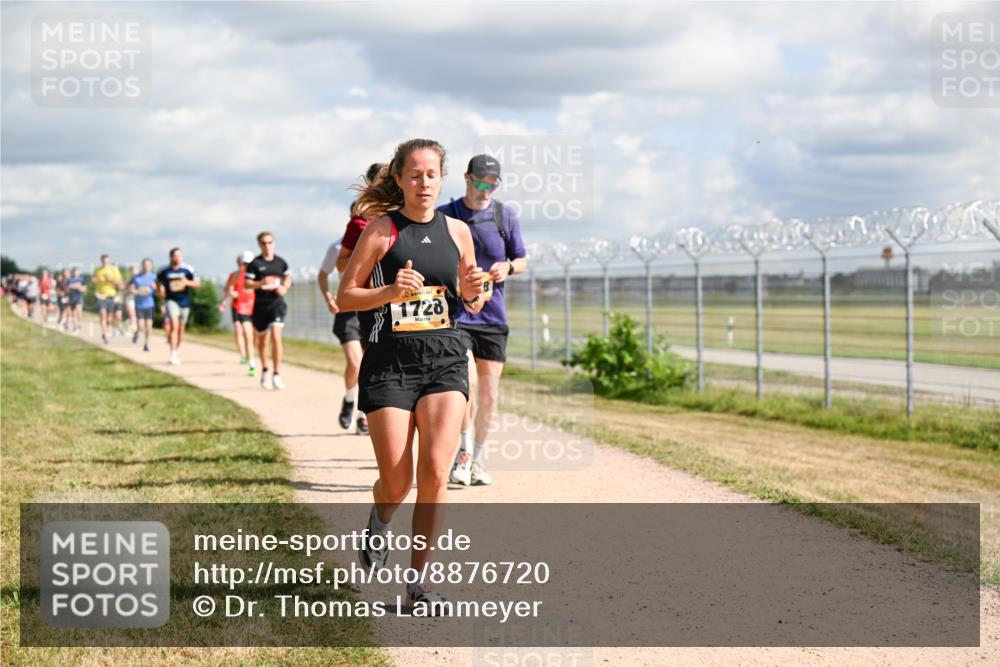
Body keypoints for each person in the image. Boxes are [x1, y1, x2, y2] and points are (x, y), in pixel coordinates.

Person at [336, 138, 486, 610]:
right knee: (397, 482)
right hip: (389, 362)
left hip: (444, 356)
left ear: (443, 179)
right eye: (415, 174)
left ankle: (419, 585)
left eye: (432, 174)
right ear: (399, 179)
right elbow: (346, 296)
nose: (424, 183)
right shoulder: (382, 230)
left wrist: (472, 291)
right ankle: (380, 520)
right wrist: (390, 294)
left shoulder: (459, 231)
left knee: (437, 472)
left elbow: (471, 298)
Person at [441, 154, 528, 487]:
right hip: (458, 315)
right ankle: (461, 454)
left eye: (493, 183)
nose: (486, 188)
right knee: (467, 385)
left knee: (489, 392)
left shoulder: (505, 216)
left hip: (493, 317)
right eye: (481, 182)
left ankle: (478, 458)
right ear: (467, 178)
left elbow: (521, 259)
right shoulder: (447, 216)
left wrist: (508, 267)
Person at [318, 162, 384, 435]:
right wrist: (329, 297)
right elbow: (330, 272)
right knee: (356, 363)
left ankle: (360, 412)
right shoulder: (343, 241)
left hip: (377, 305)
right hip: (349, 307)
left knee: (369, 365)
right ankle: (350, 399)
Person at [245, 232, 291, 389]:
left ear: (274, 243)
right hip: (260, 306)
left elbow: (288, 277)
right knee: (263, 341)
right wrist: (261, 283)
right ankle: (265, 370)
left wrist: (284, 287)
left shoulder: (281, 262)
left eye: (270, 242)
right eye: (264, 243)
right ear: (259, 245)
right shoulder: (255, 264)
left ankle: (277, 374)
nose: (267, 245)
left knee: (276, 337)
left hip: (277, 304)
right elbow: (247, 284)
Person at [156, 248, 200, 365]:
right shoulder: (164, 270)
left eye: (180, 255)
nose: (178, 257)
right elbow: (157, 282)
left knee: (181, 329)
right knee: (174, 326)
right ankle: (173, 354)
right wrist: (160, 290)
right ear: (171, 257)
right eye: (175, 255)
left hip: (184, 302)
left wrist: (187, 283)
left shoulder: (188, 269)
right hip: (171, 300)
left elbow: (197, 283)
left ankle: (177, 348)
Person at [221, 251, 257, 376]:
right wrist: (227, 298)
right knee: (242, 331)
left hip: (253, 306)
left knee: (253, 335)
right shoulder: (235, 275)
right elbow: (228, 288)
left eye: (249, 263)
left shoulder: (256, 275)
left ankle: (249, 354)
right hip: (239, 306)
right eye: (244, 263)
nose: (246, 266)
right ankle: (249, 360)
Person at [93, 254, 124, 344]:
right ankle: (104, 334)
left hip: (111, 295)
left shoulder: (114, 269)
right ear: (101, 261)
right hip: (101, 295)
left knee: (109, 319)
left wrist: (110, 279)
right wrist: (98, 279)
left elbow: (120, 282)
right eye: (103, 261)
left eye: (107, 261)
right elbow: (94, 279)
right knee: (103, 315)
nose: (105, 262)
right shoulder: (97, 269)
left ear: (109, 261)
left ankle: (110, 328)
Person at [129, 258, 157, 352]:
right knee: (141, 325)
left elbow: (155, 290)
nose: (147, 266)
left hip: (150, 305)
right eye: (145, 264)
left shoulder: (154, 277)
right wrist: (133, 291)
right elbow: (130, 289)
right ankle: (137, 332)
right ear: (142, 265)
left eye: (149, 265)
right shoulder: (136, 277)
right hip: (139, 305)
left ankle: (146, 344)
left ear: (151, 266)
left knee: (149, 326)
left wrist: (154, 288)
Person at [65, 267, 85, 333]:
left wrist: (78, 288)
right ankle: (75, 326)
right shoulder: (69, 279)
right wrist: (74, 287)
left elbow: (84, 288)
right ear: (72, 272)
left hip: (79, 297)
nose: (76, 273)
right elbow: (66, 288)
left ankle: (79, 323)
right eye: (74, 272)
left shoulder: (81, 279)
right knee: (73, 313)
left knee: (79, 311)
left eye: (77, 271)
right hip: (72, 297)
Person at [124, 263, 139, 337]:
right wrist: (129, 291)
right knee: (132, 315)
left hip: (138, 300)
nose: (134, 271)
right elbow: (124, 289)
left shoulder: (140, 279)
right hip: (130, 299)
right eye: (132, 270)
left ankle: (135, 330)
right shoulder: (129, 280)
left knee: (136, 316)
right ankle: (134, 331)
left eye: (135, 269)